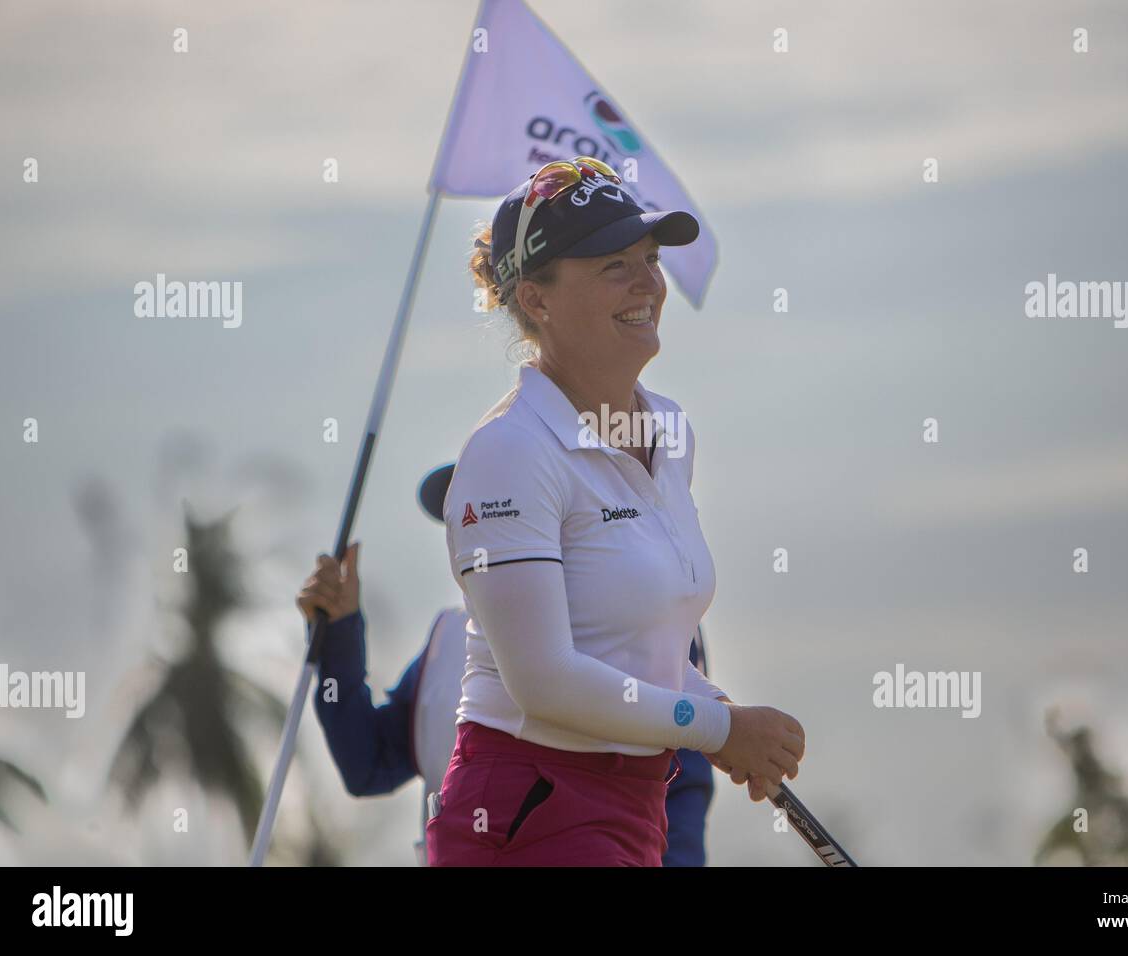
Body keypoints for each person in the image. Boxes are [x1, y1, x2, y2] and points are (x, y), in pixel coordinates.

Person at [424, 156, 805, 867]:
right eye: (612, 265)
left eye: (650, 259)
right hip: (524, 803)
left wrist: (719, 713)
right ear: (535, 300)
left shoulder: (671, 431)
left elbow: (639, 653)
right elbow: (544, 682)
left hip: (634, 803)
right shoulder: (509, 450)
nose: (647, 284)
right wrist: (719, 729)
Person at [295, 464, 722, 865]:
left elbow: (681, 782)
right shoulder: (450, 638)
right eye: (466, 516)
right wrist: (339, 632)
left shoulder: (631, 623)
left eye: (495, 513)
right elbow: (368, 763)